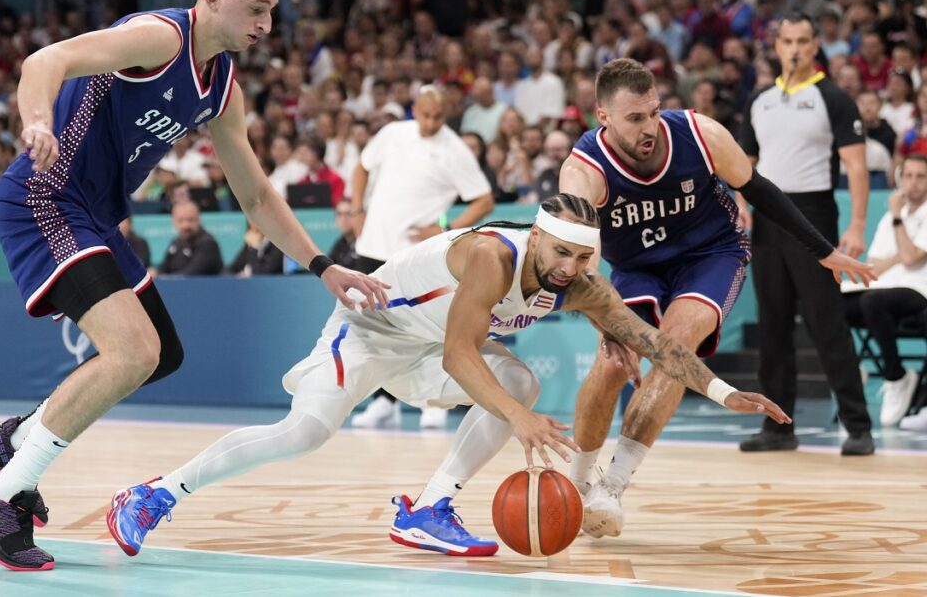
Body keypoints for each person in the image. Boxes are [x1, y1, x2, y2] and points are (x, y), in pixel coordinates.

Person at [0, 0, 388, 572]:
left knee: (161, 353)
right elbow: (44, 60)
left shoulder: (221, 88)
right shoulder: (158, 38)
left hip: (95, 217)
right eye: (257, 9)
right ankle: (0, 494)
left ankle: (14, 438)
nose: (267, 26)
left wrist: (323, 265)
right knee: (133, 351)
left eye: (272, 12)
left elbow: (256, 195)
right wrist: (36, 122)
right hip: (44, 196)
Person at [106, 194, 791, 558]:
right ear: (539, 236)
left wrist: (727, 390)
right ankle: (154, 493)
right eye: (559, 251)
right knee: (306, 432)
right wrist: (520, 422)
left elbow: (655, 342)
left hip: (428, 353)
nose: (568, 267)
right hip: (372, 331)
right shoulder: (492, 255)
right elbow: (465, 354)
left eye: (582, 258)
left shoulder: (579, 283)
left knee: (519, 383)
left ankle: (428, 508)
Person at [558, 58, 875, 540]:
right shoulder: (583, 172)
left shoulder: (699, 134)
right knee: (610, 364)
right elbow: (579, 263)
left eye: (654, 112)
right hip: (635, 265)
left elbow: (761, 190)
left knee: (675, 345)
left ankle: (613, 486)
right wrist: (606, 329)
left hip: (712, 252)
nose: (650, 127)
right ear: (603, 117)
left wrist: (823, 251)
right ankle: (576, 484)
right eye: (635, 118)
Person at [739, 13, 876, 456]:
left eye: (803, 40)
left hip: (814, 214)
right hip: (768, 218)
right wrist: (741, 202)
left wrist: (855, 225)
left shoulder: (832, 97)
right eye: (787, 41)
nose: (794, 48)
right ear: (776, 47)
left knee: (826, 324)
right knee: (773, 327)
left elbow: (856, 166)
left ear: (815, 45)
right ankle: (778, 427)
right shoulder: (759, 100)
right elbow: (744, 164)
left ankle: (858, 427)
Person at [349, 85, 494, 430]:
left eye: (438, 117)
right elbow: (362, 168)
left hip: (419, 255)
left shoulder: (455, 149)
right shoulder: (391, 133)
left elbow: (483, 199)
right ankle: (383, 402)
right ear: (415, 108)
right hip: (373, 246)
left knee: (429, 326)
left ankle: (436, 403)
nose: (430, 123)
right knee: (377, 328)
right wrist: (356, 209)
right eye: (425, 115)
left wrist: (447, 226)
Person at [843, 154, 927, 425]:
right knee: (829, 302)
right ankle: (850, 370)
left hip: (917, 290)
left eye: (920, 177)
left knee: (872, 302)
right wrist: (903, 253)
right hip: (884, 288)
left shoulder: (896, 216)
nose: (912, 183)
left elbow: (913, 259)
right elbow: (875, 266)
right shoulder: (888, 220)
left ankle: (896, 376)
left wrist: (896, 218)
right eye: (908, 176)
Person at [157, 201, 223, 275]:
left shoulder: (208, 244)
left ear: (199, 219)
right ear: (174, 221)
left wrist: (164, 278)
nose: (186, 225)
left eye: (190, 220)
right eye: (181, 220)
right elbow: (162, 269)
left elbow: (190, 274)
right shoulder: (175, 242)